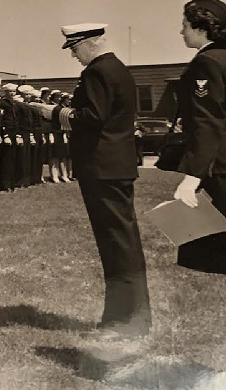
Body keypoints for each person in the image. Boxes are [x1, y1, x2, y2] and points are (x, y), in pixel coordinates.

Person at [42, 22, 151, 340]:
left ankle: (124, 320)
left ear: (90, 42)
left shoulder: (98, 72)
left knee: (117, 245)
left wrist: (53, 113)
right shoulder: (118, 69)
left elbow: (91, 117)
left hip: (102, 169)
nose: (74, 55)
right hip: (115, 167)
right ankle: (133, 316)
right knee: (124, 243)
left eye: (75, 48)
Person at [172, 0, 226, 324]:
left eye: (186, 26)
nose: (181, 31)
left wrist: (192, 177)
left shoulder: (207, 64)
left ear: (202, 28)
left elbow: (208, 123)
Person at [0, 83, 18, 192]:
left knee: (12, 158)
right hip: (7, 132)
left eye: (14, 91)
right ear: (5, 92)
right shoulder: (3, 103)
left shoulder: (12, 103)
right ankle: (4, 183)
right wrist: (5, 134)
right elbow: (2, 120)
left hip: (13, 132)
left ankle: (11, 182)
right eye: (10, 91)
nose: (12, 93)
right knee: (6, 158)